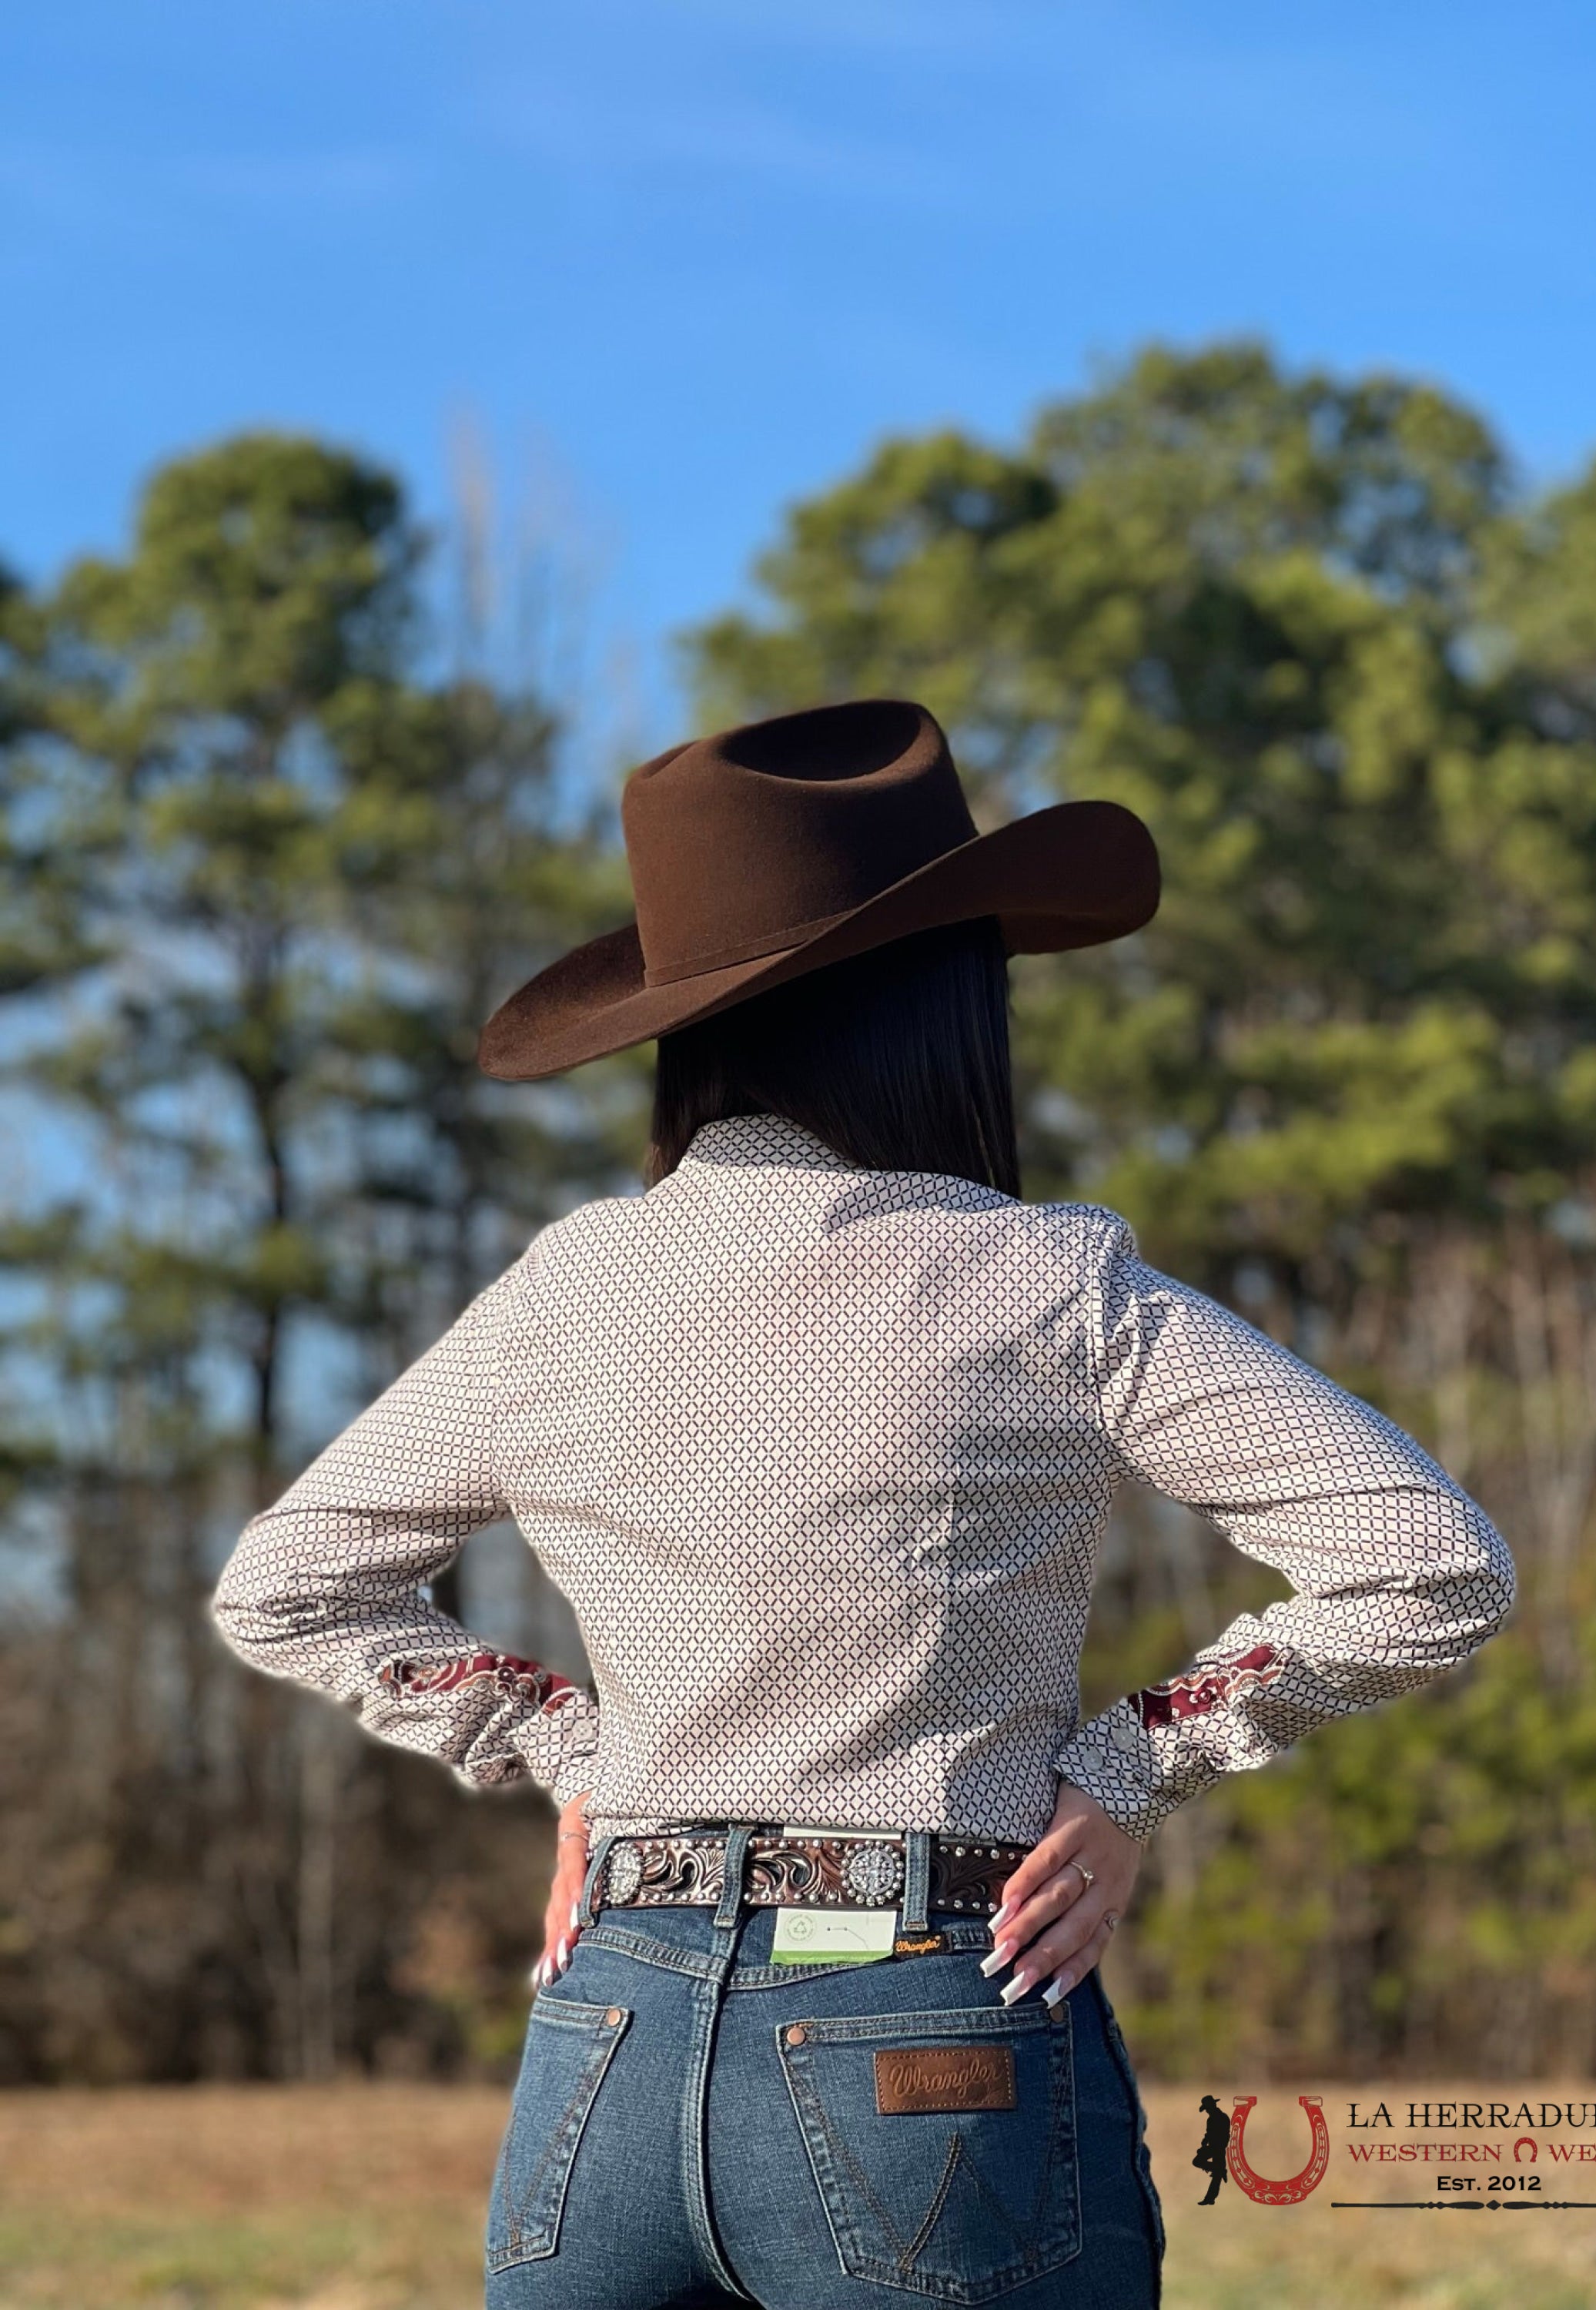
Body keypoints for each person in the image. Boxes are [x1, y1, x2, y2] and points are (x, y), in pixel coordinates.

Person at [212, 698, 1515, 2309]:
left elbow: (283, 1586)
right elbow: (1432, 1560)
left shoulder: (568, 1290)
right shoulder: (1046, 1282)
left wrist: (578, 1758)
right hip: (933, 2032)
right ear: (943, 1002)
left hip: (603, 2033)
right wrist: (1129, 1769)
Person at [1193, 2095, 1232, 2205]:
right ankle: (1219, 2170)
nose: (1207, 2111)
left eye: (1207, 2108)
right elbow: (1209, 2133)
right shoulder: (1212, 2119)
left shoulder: (1221, 2118)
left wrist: (1218, 2145)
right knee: (1215, 2173)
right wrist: (1205, 2142)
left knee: (1214, 2174)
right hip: (1214, 2146)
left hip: (1218, 2147)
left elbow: (1225, 2135)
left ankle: (1210, 2198)